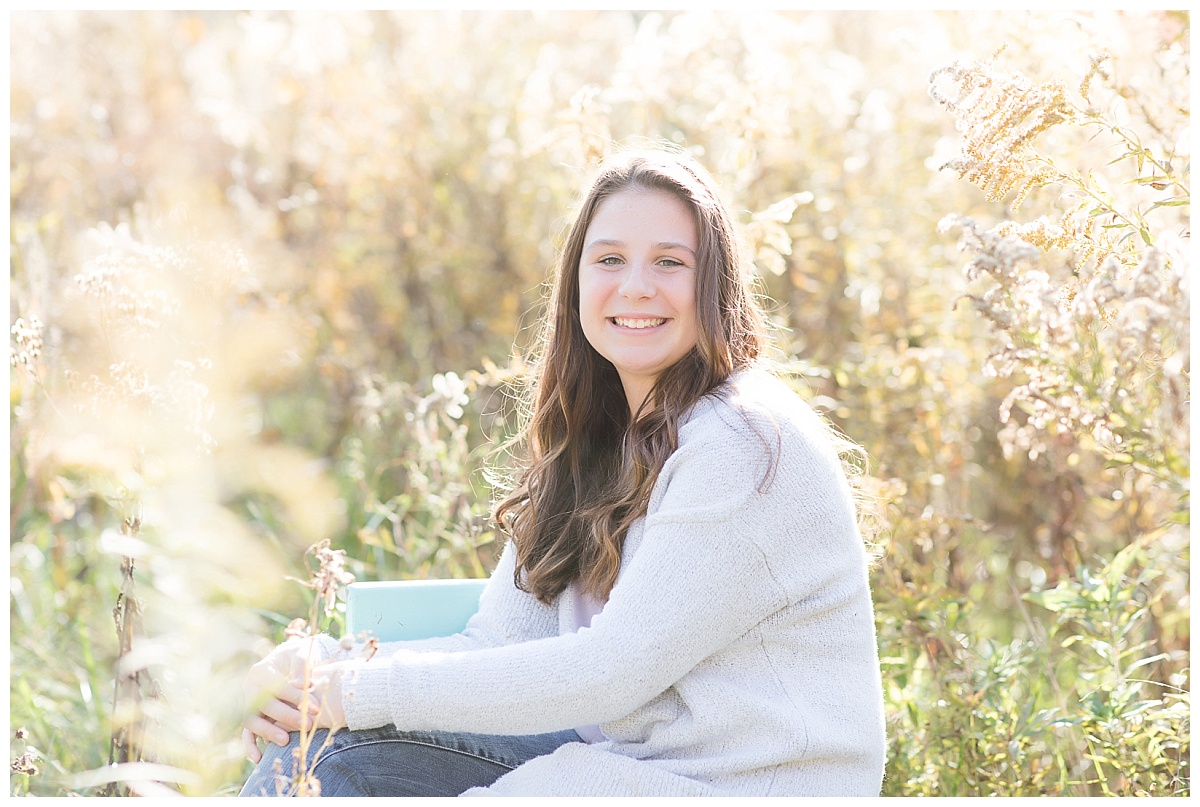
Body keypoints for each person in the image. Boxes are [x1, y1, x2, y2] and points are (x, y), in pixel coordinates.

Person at [240, 148, 886, 797]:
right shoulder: (596, 441)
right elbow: (496, 642)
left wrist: (352, 691)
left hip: (741, 784)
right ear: (576, 282)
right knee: (315, 749)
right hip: (633, 765)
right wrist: (319, 671)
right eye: (609, 259)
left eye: (670, 261)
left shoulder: (740, 440)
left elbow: (612, 671)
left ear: (714, 284)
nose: (635, 285)